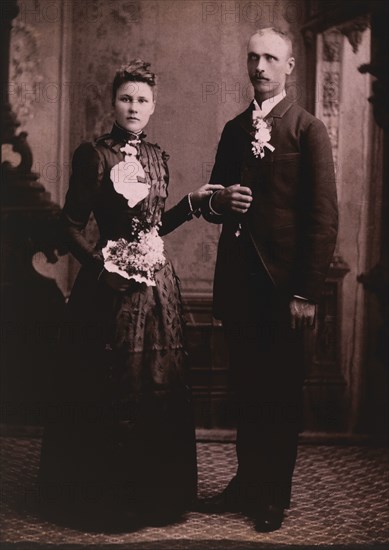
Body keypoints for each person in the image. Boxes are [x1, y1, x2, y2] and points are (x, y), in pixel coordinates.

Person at [38, 59, 222, 529]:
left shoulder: (159, 156)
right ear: (113, 104)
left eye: (142, 100)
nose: (133, 106)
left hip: (158, 291)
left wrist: (192, 204)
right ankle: (104, 498)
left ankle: (155, 496)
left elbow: (155, 226)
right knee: (111, 381)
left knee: (157, 381)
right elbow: (71, 225)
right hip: (110, 292)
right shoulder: (94, 155)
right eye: (125, 98)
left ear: (153, 107)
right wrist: (103, 271)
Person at [201, 28, 338, 531]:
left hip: (284, 290)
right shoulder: (234, 129)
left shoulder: (308, 130)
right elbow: (212, 200)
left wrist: (306, 292)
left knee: (279, 393)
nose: (259, 67)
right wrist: (220, 200)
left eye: (270, 58)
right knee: (247, 388)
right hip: (240, 285)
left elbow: (323, 219)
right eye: (253, 57)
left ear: (289, 66)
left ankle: (273, 495)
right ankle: (245, 483)